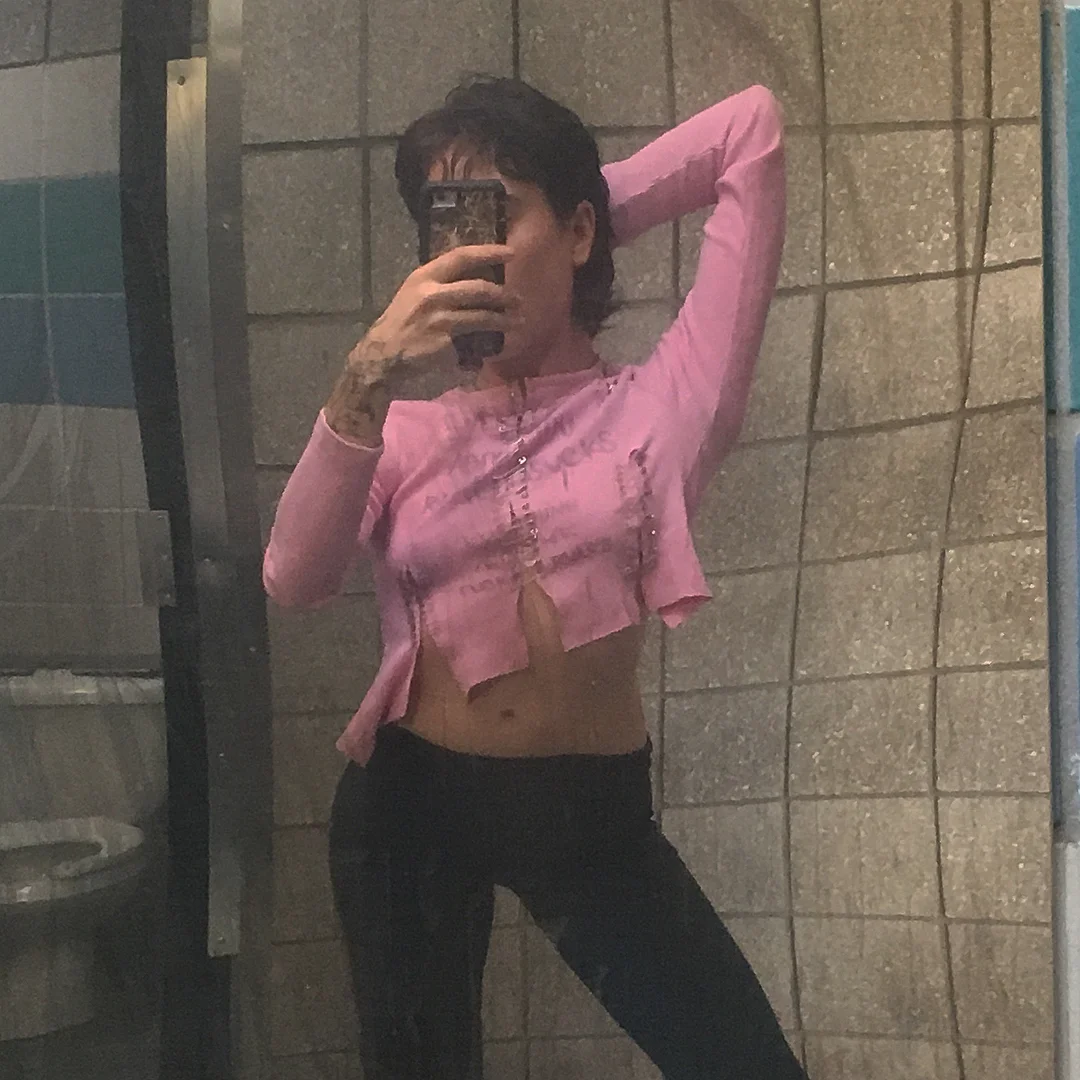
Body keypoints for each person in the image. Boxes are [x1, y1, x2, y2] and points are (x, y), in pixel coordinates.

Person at [263, 74, 804, 1080]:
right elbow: (294, 579)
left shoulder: (666, 402)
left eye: (491, 214)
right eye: (445, 226)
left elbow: (750, 130)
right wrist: (366, 373)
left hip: (588, 813)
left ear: (582, 231)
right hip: (409, 803)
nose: (466, 252)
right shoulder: (401, 432)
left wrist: (577, 204)